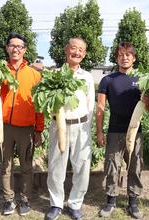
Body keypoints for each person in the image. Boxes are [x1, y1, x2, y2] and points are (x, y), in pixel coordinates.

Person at [96, 42, 149, 219]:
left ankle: (133, 202)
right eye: (121, 54)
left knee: (135, 166)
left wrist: (148, 100)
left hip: (135, 131)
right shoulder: (108, 80)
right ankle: (111, 200)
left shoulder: (143, 80)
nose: (124, 57)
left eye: (128, 54)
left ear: (134, 58)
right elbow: (101, 107)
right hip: (114, 130)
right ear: (116, 57)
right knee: (112, 165)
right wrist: (99, 132)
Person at [44, 37, 95, 220]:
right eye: (74, 48)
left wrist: (86, 126)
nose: (77, 52)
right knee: (56, 167)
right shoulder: (55, 74)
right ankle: (56, 204)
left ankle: (75, 204)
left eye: (81, 49)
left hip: (81, 127)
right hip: (60, 125)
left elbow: (90, 105)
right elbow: (46, 102)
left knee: (82, 167)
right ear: (66, 50)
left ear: (84, 54)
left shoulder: (87, 77)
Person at [0, 32, 44, 216]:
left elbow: (39, 105)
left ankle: (25, 199)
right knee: (5, 165)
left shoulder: (34, 74)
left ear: (24, 50)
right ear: (7, 48)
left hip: (27, 128)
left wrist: (39, 129)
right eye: (12, 45)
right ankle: (9, 200)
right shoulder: (0, 72)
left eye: (19, 46)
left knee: (26, 165)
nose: (15, 49)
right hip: (5, 126)